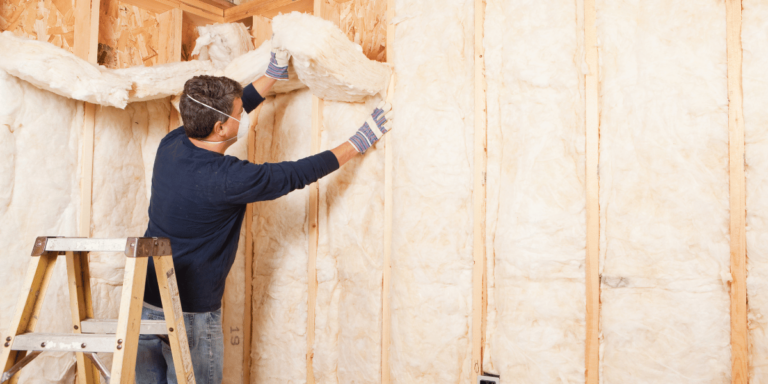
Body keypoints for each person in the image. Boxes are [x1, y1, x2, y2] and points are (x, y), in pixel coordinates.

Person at [135, 45, 393, 384]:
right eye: (238, 113)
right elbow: (295, 173)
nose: (242, 115)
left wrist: (271, 77)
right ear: (221, 128)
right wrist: (357, 142)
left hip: (144, 299)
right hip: (191, 314)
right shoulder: (229, 178)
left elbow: (221, 114)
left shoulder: (172, 143)